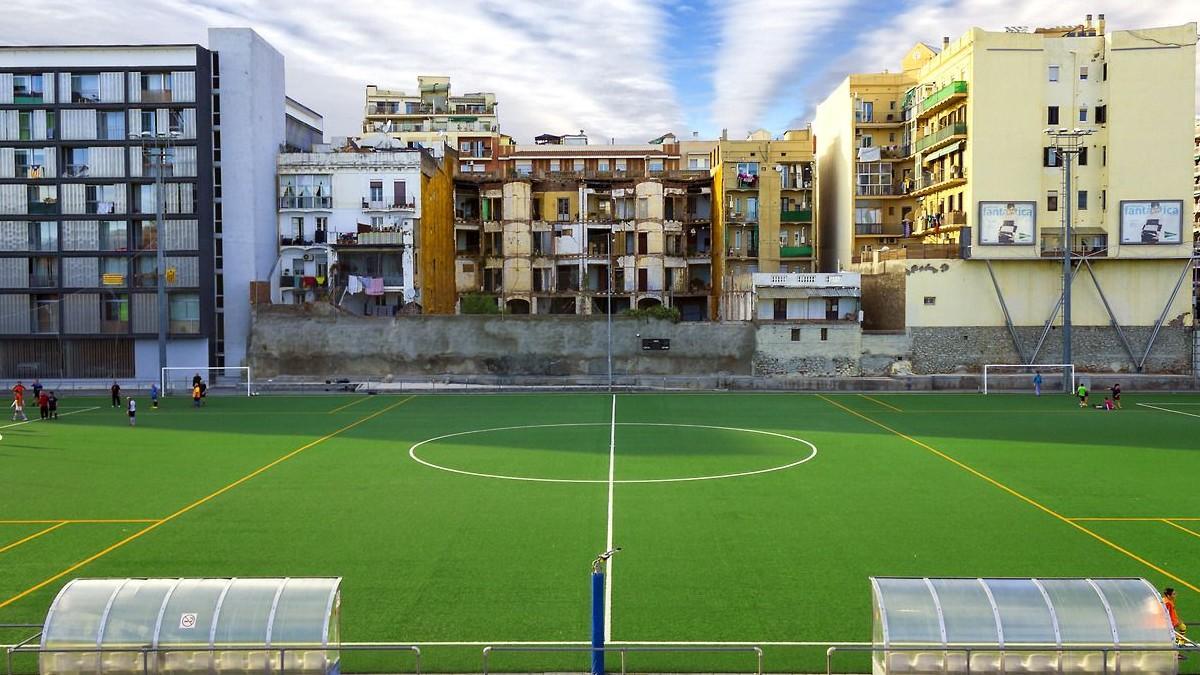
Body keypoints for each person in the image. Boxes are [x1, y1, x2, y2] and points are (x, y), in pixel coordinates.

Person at [1165, 588, 1187, 656]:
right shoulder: (1167, 603)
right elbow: (1166, 614)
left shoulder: (1168, 601)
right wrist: (1173, 622)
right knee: (1173, 638)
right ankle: (1177, 652)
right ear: (1169, 595)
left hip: (1173, 622)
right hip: (1170, 623)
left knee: (1182, 627)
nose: (1175, 595)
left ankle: (1180, 643)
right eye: (1174, 594)